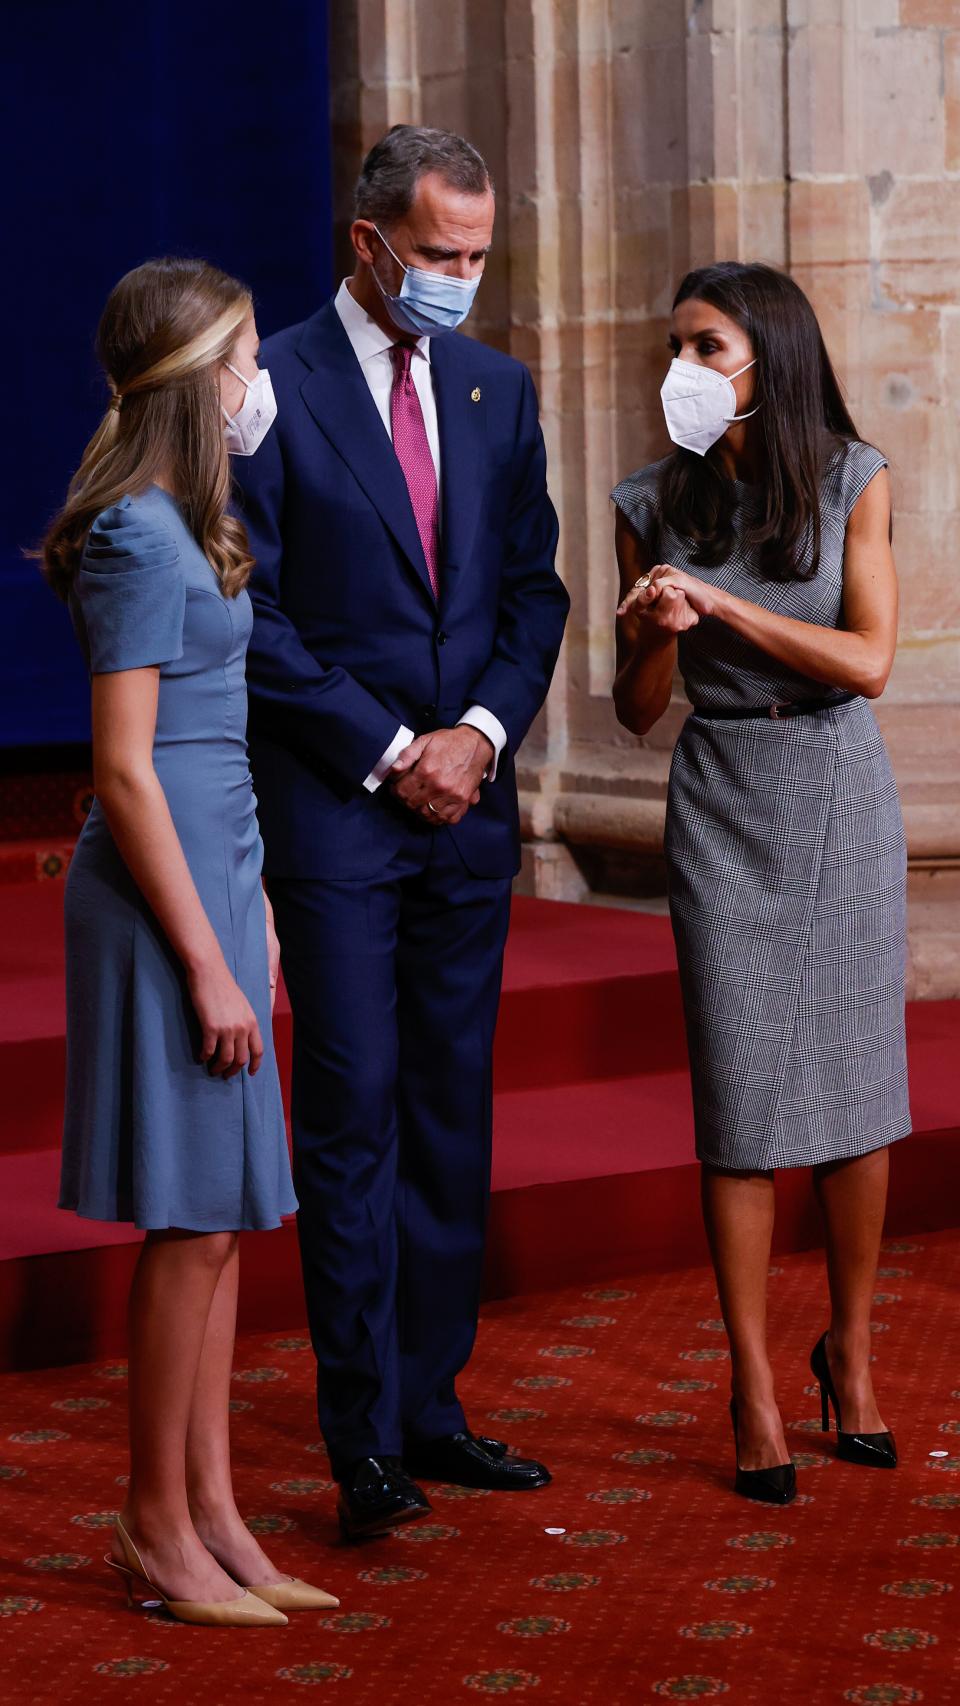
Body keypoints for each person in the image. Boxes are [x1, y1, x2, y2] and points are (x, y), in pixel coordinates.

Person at [232, 125, 569, 1540]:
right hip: (342, 814)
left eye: (480, 257)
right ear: (368, 244)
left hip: (466, 812)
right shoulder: (269, 388)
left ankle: (436, 1403)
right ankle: (361, 1433)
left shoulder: (499, 386)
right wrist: (388, 750)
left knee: (449, 1113)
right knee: (356, 1116)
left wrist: (479, 738)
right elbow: (248, 606)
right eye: (442, 256)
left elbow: (532, 591)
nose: (464, 280)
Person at [42, 257, 337, 1623]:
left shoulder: (189, 521)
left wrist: (256, 910)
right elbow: (125, 768)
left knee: (224, 1221)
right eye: (236, 358)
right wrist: (210, 956)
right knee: (188, 1219)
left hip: (219, 886)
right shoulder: (133, 534)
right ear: (186, 380)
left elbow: (218, 755)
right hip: (159, 909)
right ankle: (154, 1523)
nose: (253, 382)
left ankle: (215, 1510)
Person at [612, 262, 908, 1506]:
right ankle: (752, 1381)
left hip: (838, 782)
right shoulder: (649, 497)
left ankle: (852, 1347)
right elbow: (636, 717)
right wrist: (649, 634)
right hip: (722, 794)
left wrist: (720, 604)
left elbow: (872, 657)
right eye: (674, 346)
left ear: (768, 356)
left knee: (853, 1091)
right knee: (739, 1104)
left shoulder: (853, 476)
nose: (682, 367)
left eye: (706, 344)